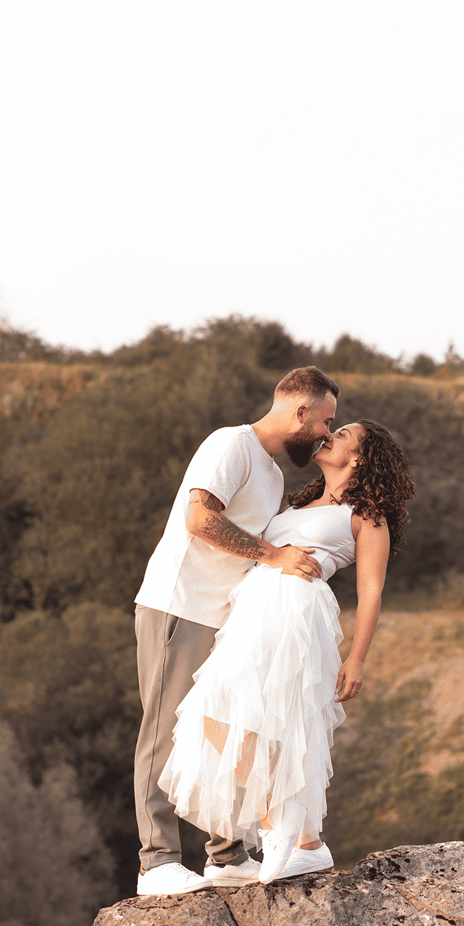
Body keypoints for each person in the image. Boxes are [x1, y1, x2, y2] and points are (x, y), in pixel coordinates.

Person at [158, 418, 414, 884]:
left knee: (273, 723)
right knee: (215, 713)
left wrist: (356, 658)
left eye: (343, 435)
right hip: (253, 609)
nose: (329, 436)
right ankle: (306, 841)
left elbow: (371, 592)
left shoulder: (366, 514)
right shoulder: (299, 501)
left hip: (295, 614)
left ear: (358, 458)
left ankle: (284, 828)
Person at [130, 366, 340, 896]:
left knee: (220, 725)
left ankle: (225, 856)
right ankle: (156, 863)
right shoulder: (230, 445)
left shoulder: (271, 474)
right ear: (300, 411)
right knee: (164, 729)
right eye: (325, 421)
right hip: (180, 607)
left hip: (224, 617)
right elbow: (199, 520)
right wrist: (275, 556)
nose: (326, 434)